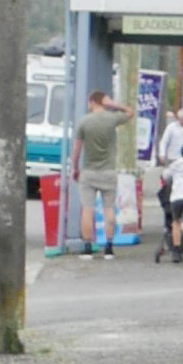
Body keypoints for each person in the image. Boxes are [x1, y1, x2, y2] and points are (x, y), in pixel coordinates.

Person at [73, 89, 134, 255]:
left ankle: (87, 248)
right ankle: (108, 247)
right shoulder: (112, 119)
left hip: (89, 173)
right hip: (108, 172)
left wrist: (75, 168)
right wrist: (113, 104)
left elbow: (77, 149)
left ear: (93, 102)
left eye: (89, 102)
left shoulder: (83, 122)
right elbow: (130, 112)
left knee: (88, 209)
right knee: (109, 210)